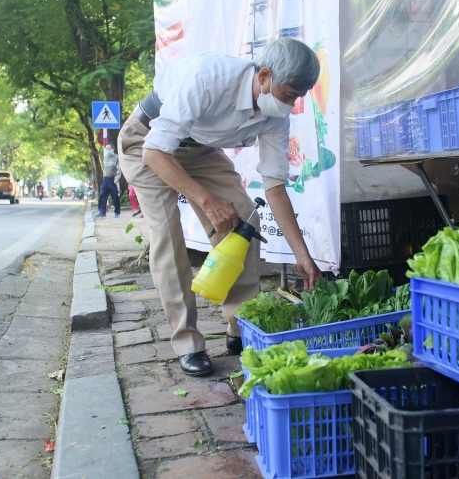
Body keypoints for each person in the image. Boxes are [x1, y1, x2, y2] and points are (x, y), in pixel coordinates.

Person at [118, 38, 322, 376]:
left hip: (199, 148)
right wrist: (207, 201)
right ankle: (187, 343)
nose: (291, 104)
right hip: (146, 143)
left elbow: (274, 185)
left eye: (299, 97)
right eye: (289, 95)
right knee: (168, 237)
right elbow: (155, 152)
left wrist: (302, 254)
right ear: (265, 76)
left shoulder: (275, 115)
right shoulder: (208, 78)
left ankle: (239, 328)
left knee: (244, 223)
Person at [98, 143, 122, 217]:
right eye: (106, 149)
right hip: (105, 179)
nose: (107, 150)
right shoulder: (105, 157)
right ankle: (102, 212)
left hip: (113, 179)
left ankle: (117, 212)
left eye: (109, 148)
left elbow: (119, 169)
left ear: (113, 149)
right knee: (102, 195)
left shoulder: (116, 157)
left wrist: (117, 178)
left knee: (115, 196)